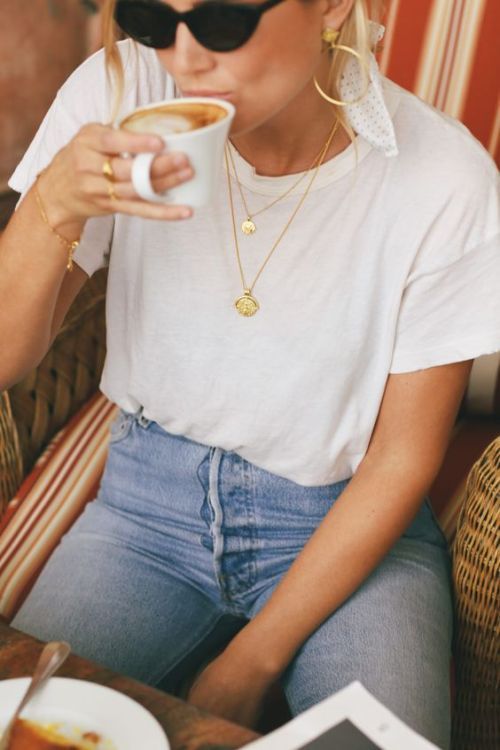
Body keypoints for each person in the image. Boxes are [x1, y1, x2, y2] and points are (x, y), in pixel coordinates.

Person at [1, 1, 498, 747]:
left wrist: (251, 659)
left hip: (347, 532)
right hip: (142, 515)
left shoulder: (444, 176)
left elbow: (402, 457)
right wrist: (52, 205)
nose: (185, 59)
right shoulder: (117, 96)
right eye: (150, 18)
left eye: (223, 22)